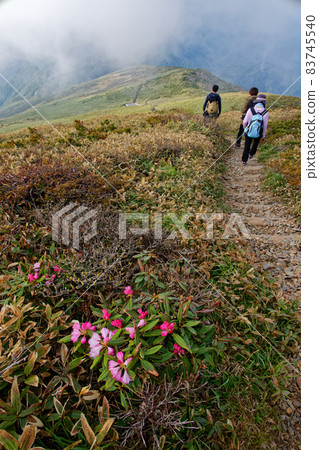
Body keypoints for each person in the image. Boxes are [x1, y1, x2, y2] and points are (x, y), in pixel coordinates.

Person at [242, 94, 269, 165]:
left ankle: (244, 160)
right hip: (259, 130)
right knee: (256, 143)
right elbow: (265, 125)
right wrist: (263, 134)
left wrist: (245, 129)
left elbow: (245, 121)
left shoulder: (250, 110)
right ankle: (251, 153)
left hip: (249, 130)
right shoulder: (265, 112)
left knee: (247, 145)